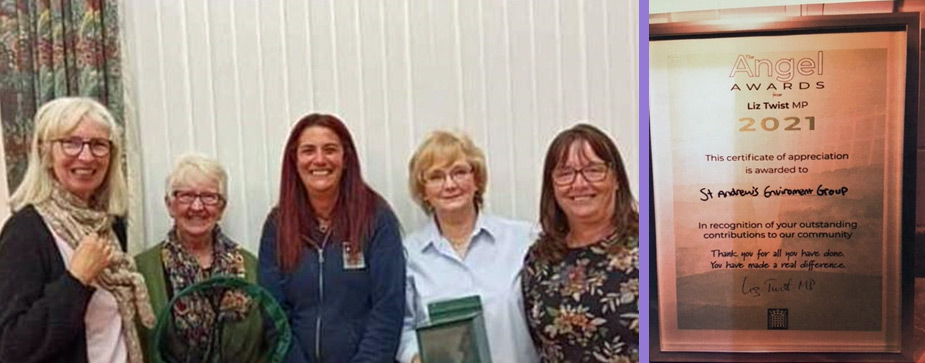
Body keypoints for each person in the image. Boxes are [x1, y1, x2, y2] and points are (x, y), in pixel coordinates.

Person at [0, 97, 155, 363]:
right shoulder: (25, 232)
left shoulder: (109, 225)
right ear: (46, 153)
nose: (86, 156)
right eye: (71, 143)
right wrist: (76, 280)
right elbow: (12, 347)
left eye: (98, 145)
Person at [258, 113, 405, 362]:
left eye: (330, 150)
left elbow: (388, 308)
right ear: (294, 160)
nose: (319, 159)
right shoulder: (278, 225)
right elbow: (273, 312)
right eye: (308, 151)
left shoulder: (377, 219)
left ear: (345, 158)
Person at [398, 130, 538, 363]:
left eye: (459, 172)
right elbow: (402, 327)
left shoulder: (523, 239)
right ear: (423, 191)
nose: (450, 185)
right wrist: (415, 357)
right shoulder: (408, 254)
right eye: (436, 177)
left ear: (477, 180)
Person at [522, 123, 639, 362]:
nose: (579, 184)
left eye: (593, 170)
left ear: (617, 180)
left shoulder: (654, 247)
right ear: (552, 186)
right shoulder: (540, 259)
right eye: (565, 174)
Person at [135, 153, 261, 362]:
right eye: (186, 196)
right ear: (169, 205)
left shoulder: (249, 266)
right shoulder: (142, 270)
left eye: (209, 197)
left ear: (221, 208)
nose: (197, 207)